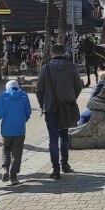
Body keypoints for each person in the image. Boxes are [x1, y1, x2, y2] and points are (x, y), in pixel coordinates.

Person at [36, 43, 83, 179]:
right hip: (67, 106)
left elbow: (39, 90)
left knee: (53, 138)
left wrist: (42, 104)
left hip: (50, 108)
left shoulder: (46, 69)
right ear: (64, 53)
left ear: (52, 53)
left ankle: (55, 169)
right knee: (64, 135)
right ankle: (65, 164)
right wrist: (71, 98)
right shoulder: (72, 67)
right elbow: (78, 86)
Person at [0, 80, 32, 186]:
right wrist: (23, 119)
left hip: (7, 130)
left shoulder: (4, 96)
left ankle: (5, 169)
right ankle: (14, 176)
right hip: (20, 129)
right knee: (17, 152)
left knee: (6, 149)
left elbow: (0, 113)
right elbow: (28, 111)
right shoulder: (24, 95)